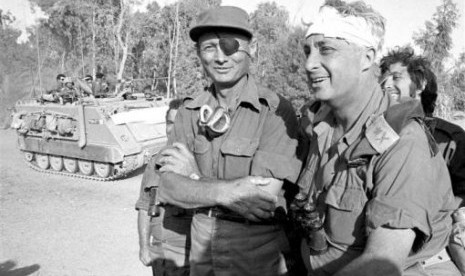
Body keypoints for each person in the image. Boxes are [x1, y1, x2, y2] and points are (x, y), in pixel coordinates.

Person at [295, 1, 459, 275]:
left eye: (326, 49)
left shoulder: (403, 140)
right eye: (307, 51)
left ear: (367, 58)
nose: (310, 64)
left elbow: (382, 264)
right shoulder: (320, 122)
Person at [148, 6, 302, 276]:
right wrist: (228, 192)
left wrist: (194, 178)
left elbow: (261, 198)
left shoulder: (275, 110)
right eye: (209, 48)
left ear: (252, 50)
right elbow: (169, 188)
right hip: (201, 246)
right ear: (198, 54)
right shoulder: (188, 111)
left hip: (256, 249)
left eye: (231, 47)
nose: (220, 57)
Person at [380, 46, 465, 273]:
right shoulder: (377, 131)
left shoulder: (451, 137)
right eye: (383, 77)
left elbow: (462, 193)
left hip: (432, 254)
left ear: (420, 86)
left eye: (396, 77)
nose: (386, 84)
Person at [136, 98, 192, 276]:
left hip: (187, 255)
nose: (172, 129)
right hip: (159, 253)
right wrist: (144, 247)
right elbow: (145, 206)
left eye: (178, 123)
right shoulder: (155, 162)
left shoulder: (199, 164)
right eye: (169, 122)